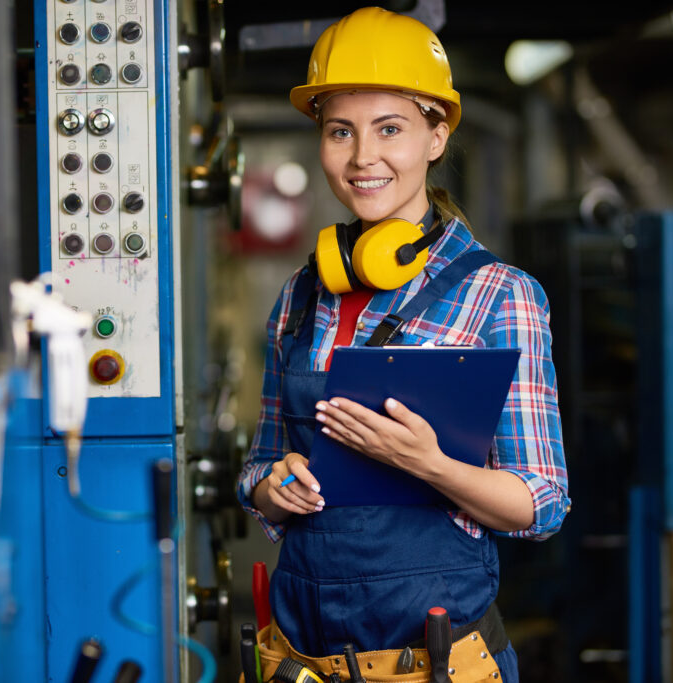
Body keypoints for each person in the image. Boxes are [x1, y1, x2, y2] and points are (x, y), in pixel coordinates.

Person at [236, 8, 570, 682]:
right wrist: (272, 488)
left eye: (391, 129)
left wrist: (428, 463)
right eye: (341, 131)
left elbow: (542, 502)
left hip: (436, 666)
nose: (363, 158)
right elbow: (258, 467)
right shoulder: (300, 298)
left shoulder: (501, 295)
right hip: (302, 663)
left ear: (436, 135)